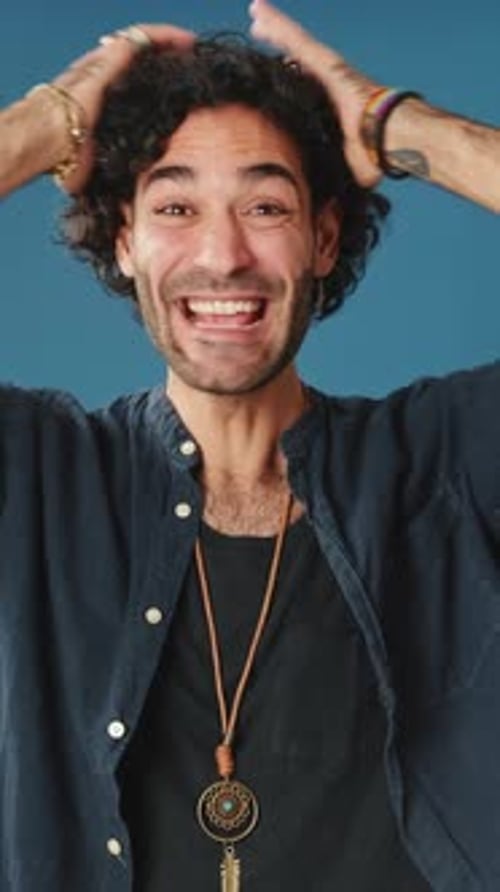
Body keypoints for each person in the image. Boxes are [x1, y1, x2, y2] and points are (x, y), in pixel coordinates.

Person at [0, 1, 499, 890]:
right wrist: (49, 121)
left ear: (323, 238)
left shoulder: (444, 463)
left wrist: (398, 126)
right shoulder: (39, 475)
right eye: (176, 206)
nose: (223, 254)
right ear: (125, 240)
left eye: (265, 206)